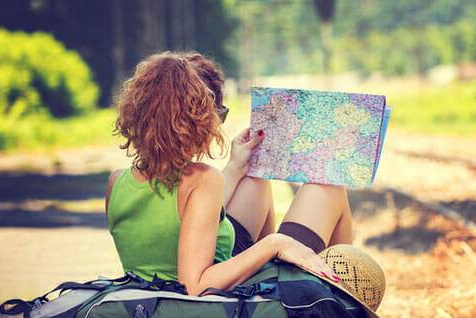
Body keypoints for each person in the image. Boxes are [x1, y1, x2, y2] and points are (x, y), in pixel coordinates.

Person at [106, 51, 354, 296]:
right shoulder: (202, 179)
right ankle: (342, 307)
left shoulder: (116, 182)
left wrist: (235, 167)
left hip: (155, 299)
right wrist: (275, 244)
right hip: (213, 303)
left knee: (255, 176)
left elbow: (174, 221)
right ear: (198, 120)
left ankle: (281, 277)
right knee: (330, 188)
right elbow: (193, 287)